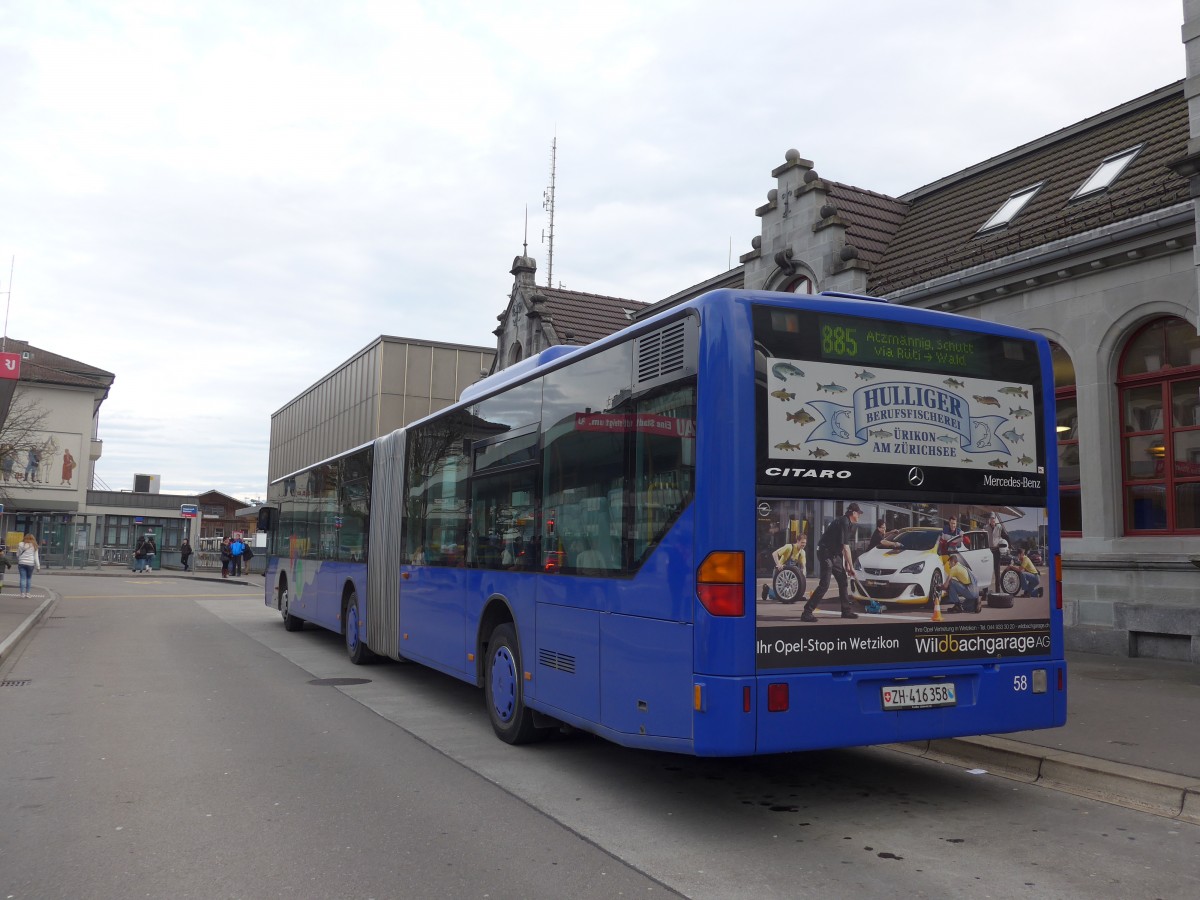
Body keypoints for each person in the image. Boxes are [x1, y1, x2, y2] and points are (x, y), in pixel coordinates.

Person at [800, 503, 862, 622]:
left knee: (843, 580)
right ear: (853, 513)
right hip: (825, 552)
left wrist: (846, 565)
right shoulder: (844, 522)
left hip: (834, 554)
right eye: (858, 513)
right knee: (825, 584)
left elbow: (841, 546)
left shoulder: (848, 524)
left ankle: (846, 611)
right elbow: (846, 547)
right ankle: (807, 612)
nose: (859, 515)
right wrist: (852, 567)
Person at [766, 533, 807, 603]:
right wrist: (778, 564)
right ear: (797, 541)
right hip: (779, 572)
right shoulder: (789, 547)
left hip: (790, 574)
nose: (804, 545)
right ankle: (767, 590)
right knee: (780, 596)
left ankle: (796, 596)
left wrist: (803, 578)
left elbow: (803, 567)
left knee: (788, 595)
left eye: (805, 543)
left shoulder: (802, 552)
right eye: (802, 542)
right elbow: (774, 553)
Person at [986, 513, 1010, 590]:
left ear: (995, 519)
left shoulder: (999, 527)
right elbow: (982, 538)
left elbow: (1006, 536)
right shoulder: (985, 527)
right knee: (986, 571)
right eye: (991, 518)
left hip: (996, 551)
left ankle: (998, 590)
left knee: (997, 571)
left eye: (993, 518)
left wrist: (1009, 545)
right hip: (988, 552)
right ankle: (985, 591)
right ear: (989, 520)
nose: (992, 520)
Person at [16, 533, 40, 598]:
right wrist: (38, 566)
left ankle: (22, 594)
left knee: (22, 578)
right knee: (29, 578)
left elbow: (17, 554)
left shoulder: (21, 545)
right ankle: (28, 593)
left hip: (22, 563)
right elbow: (36, 557)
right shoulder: (34, 546)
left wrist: (20, 558)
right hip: (30, 564)